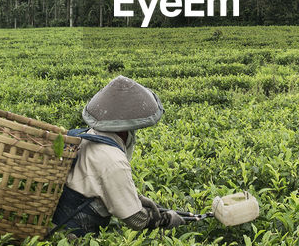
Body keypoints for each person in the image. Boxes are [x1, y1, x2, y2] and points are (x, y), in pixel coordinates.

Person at [51, 76, 201, 236]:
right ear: (125, 129)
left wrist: (136, 199)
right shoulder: (114, 160)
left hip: (55, 223)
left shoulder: (85, 136)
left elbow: (96, 183)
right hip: (72, 237)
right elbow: (136, 219)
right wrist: (166, 219)